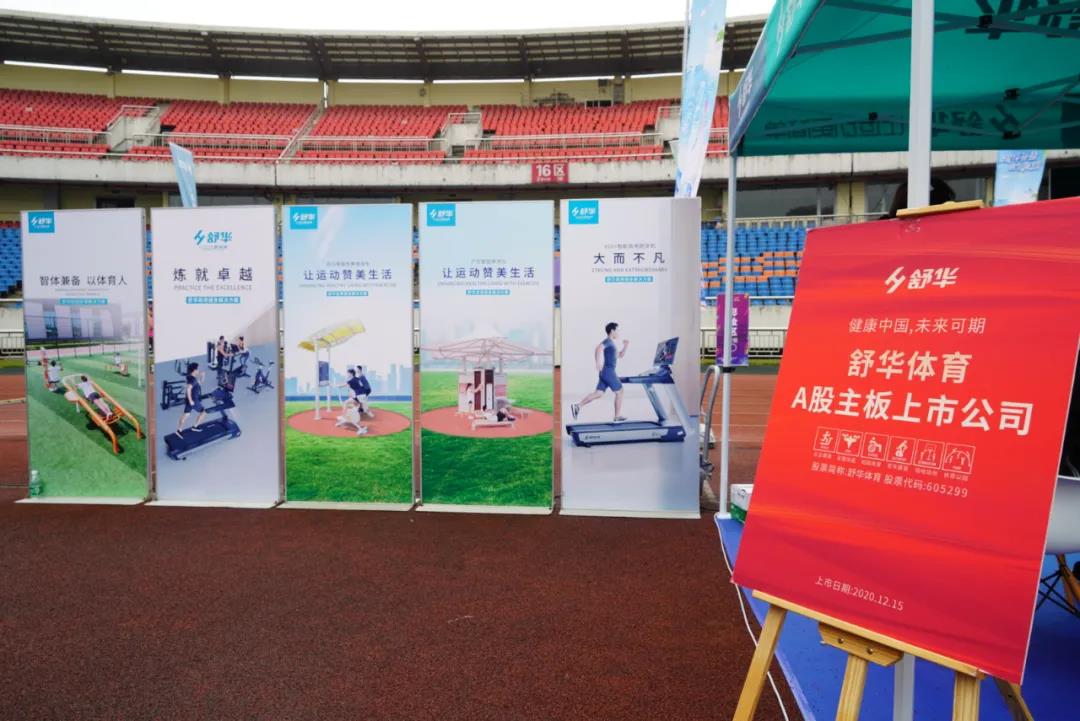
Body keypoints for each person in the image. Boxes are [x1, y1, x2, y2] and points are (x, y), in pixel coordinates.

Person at [571, 321, 629, 421]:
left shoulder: (612, 344)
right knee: (620, 392)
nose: (619, 333)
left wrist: (626, 346)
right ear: (612, 331)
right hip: (608, 371)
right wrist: (598, 363)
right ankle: (617, 416)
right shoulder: (608, 341)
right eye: (617, 330)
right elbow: (598, 348)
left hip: (605, 372)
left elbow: (620, 355)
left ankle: (577, 406)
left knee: (599, 393)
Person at [176, 362, 206, 437]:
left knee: (186, 414)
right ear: (194, 370)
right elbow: (188, 389)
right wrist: (191, 401)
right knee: (204, 412)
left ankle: (179, 430)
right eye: (198, 369)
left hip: (188, 399)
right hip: (193, 400)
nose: (199, 370)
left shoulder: (189, 376)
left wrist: (202, 376)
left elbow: (200, 383)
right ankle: (195, 427)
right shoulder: (193, 380)